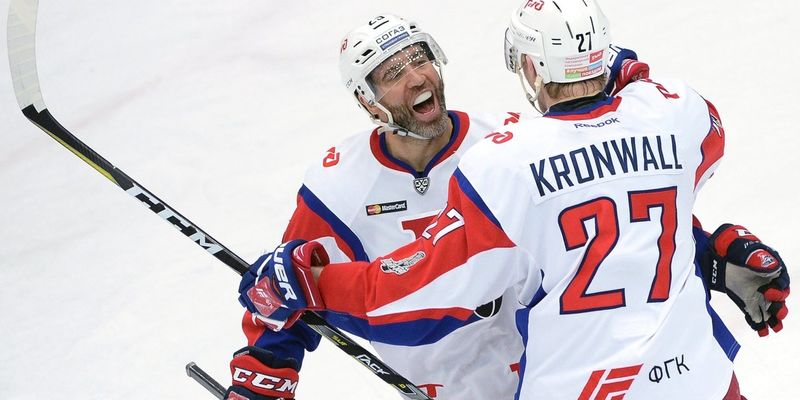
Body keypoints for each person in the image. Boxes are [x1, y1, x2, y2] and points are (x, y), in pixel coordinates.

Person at [236, 1, 790, 399]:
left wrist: (312, 286)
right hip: (696, 378)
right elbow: (636, 199)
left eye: (418, 59)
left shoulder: (504, 155)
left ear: (530, 65)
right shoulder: (676, 109)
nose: (415, 77)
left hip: (561, 379)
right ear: (366, 98)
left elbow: (418, 299)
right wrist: (268, 358)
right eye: (391, 73)